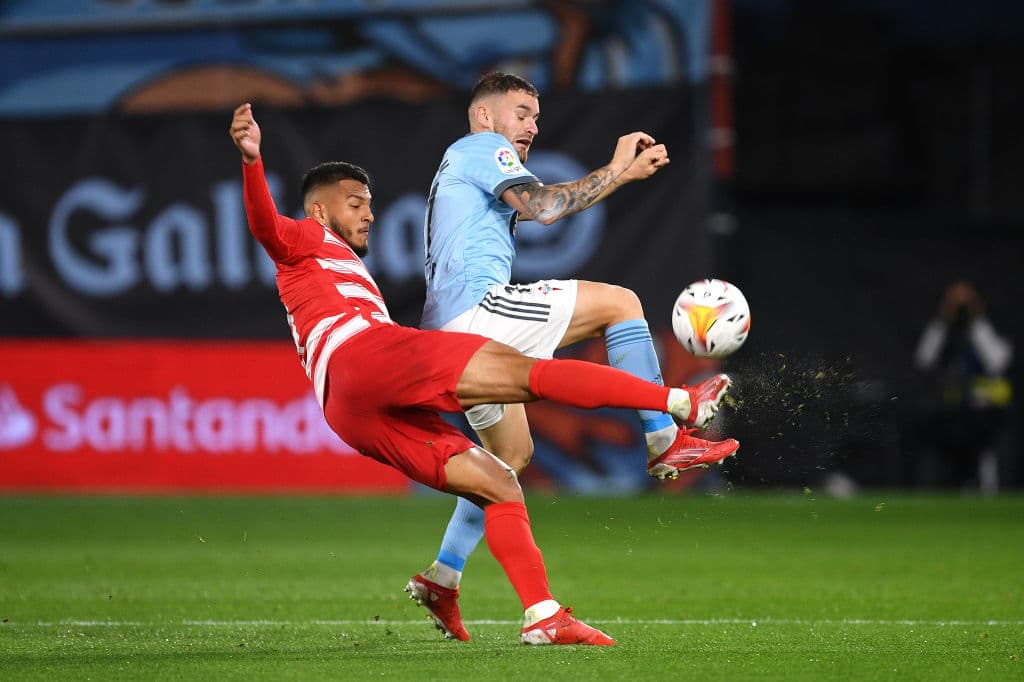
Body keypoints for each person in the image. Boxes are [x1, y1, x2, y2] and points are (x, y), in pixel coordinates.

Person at [229, 103, 738, 645]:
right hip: (368, 354)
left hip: (347, 410)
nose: (369, 214)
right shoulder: (307, 238)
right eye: (356, 204)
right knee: (536, 371)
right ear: (319, 211)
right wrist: (252, 162)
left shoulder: (339, 262)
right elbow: (264, 225)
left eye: (370, 204)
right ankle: (676, 407)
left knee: (499, 478)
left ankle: (528, 610)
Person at [409, 71, 740, 641]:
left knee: (509, 456)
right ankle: (665, 436)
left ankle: (444, 576)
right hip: (478, 315)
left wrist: (622, 175)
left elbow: (541, 204)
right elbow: (544, 208)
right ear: (485, 115)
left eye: (536, 118)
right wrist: (615, 168)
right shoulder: (481, 148)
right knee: (620, 303)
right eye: (521, 113)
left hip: (449, 339)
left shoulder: (465, 164)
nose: (532, 127)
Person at [912, 280, 1013, 493]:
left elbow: (997, 361)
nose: (961, 308)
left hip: (984, 409)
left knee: (985, 451)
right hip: (949, 410)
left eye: (965, 302)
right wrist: (944, 320)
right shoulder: (941, 328)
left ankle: (987, 491)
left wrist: (976, 320)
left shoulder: (988, 326)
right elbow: (924, 359)